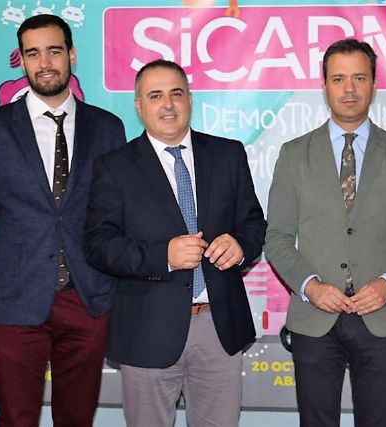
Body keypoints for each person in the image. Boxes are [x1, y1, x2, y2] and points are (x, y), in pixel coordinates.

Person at [0, 14, 126, 427]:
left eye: (54, 51)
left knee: (77, 419)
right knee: (16, 419)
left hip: (87, 299)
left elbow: (119, 219)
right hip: (12, 300)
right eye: (33, 54)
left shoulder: (107, 128)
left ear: (72, 55)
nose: (44, 63)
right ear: (22, 61)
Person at [84, 59, 266, 427]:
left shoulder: (228, 154)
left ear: (190, 100)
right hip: (147, 330)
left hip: (219, 327)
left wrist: (241, 246)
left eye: (176, 94)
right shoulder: (114, 167)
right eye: (155, 96)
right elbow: (98, 244)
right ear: (139, 106)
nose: (168, 105)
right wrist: (163, 256)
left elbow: (253, 223)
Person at [265, 38, 386, 426]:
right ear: (324, 85)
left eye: (359, 78)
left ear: (374, 84)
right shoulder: (293, 154)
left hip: (381, 315)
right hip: (314, 317)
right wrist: (311, 287)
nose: (349, 89)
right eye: (338, 79)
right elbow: (278, 238)